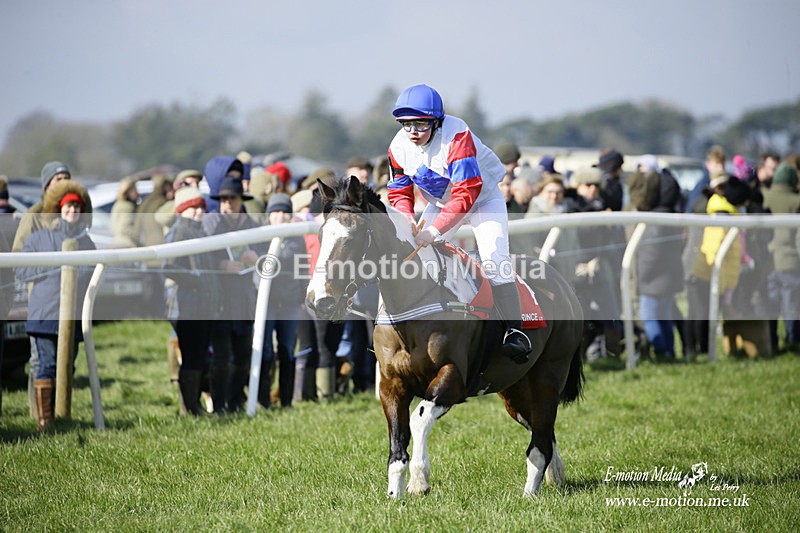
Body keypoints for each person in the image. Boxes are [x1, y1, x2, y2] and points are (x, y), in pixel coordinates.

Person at [386, 84, 531, 363]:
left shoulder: (456, 135)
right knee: (416, 252)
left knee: (494, 260)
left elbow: (466, 193)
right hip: (442, 204)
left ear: (436, 122)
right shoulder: (397, 147)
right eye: (406, 124)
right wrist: (407, 219)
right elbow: (399, 191)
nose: (413, 131)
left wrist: (433, 230)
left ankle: (515, 332)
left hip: (483, 200)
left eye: (421, 124)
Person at [15, 181, 95, 430]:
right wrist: (56, 266)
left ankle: (63, 416)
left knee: (68, 366)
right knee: (47, 365)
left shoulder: (86, 242)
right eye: (68, 206)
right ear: (59, 208)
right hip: (45, 314)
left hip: (73, 317)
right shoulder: (39, 238)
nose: (73, 210)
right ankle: (45, 422)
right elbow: (21, 270)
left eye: (77, 206)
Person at [205, 176, 265, 413]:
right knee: (220, 357)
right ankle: (219, 405)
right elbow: (203, 258)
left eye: (232, 198)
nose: (227, 203)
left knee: (242, 356)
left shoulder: (254, 226)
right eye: (223, 199)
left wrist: (257, 259)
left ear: (241, 200)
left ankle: (236, 402)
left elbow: (270, 259)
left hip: (245, 300)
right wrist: (221, 265)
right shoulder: (211, 226)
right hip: (220, 301)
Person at [162, 186, 221, 415]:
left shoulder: (201, 231)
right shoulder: (178, 231)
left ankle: (194, 404)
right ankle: (189, 408)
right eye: (192, 207)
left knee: (200, 356)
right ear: (181, 210)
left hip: (204, 306)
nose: (198, 211)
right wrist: (194, 280)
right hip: (185, 306)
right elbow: (168, 266)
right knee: (191, 357)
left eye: (200, 207)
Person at [628, 157, 685, 360]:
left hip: (652, 279)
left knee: (650, 318)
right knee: (665, 318)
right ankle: (670, 352)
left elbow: (651, 254)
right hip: (667, 277)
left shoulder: (653, 219)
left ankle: (661, 351)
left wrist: (642, 277)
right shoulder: (670, 213)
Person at [258, 193, 306, 408]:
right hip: (265, 302)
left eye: (285, 212)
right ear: (268, 215)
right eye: (275, 212)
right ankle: (262, 399)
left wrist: (303, 294)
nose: (280, 216)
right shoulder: (259, 237)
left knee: (287, 350)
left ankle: (287, 400)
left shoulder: (296, 238)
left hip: (289, 302)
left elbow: (302, 269)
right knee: (265, 350)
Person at [762, 164, 800, 352]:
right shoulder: (796, 202)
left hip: (768, 262)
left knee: (771, 305)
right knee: (791, 306)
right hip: (790, 262)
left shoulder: (765, 198)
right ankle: (793, 342)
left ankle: (771, 342)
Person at [110, 177, 140, 248]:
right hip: (128, 243)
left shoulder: (118, 204)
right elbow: (124, 228)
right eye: (134, 190)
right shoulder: (127, 207)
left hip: (119, 242)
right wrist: (139, 234)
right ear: (127, 192)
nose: (137, 193)